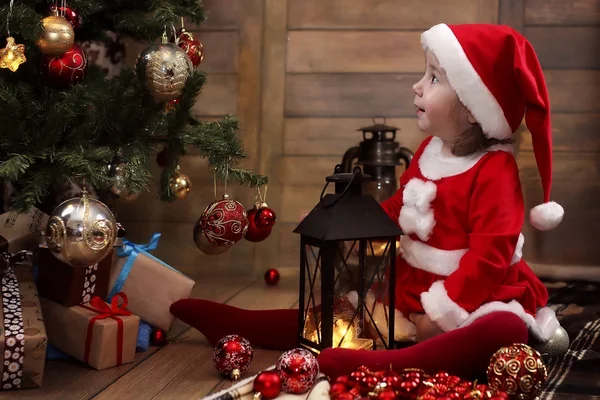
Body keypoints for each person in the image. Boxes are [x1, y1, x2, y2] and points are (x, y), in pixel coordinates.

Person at [170, 23, 565, 379]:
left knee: (503, 330)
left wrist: (443, 310)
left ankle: (390, 363)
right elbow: (396, 210)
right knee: (338, 315)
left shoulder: (495, 170)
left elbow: (491, 255)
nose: (417, 86)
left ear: (474, 108)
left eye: (434, 78)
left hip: (473, 291)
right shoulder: (430, 151)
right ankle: (243, 325)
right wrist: (339, 217)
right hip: (417, 284)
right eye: (424, 74)